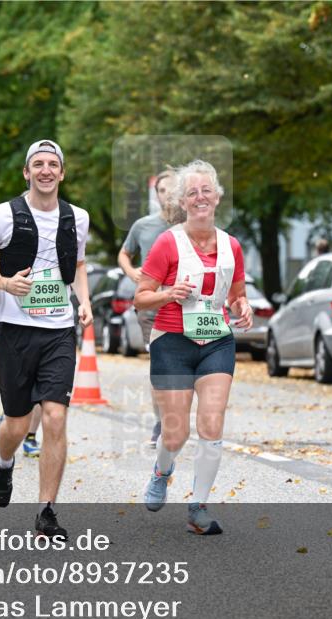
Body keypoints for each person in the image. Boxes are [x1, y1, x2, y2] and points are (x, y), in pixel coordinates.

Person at [0, 139, 92, 540]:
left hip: (58, 329)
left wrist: (84, 302)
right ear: (26, 172)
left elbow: (80, 264)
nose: (45, 170)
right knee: (17, 424)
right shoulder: (2, 215)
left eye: (52, 164)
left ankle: (46, 511)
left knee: (55, 416)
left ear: (62, 172)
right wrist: (5, 282)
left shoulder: (79, 217)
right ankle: (4, 462)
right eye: (37, 164)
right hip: (15, 331)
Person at [133, 159, 253, 536]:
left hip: (216, 340)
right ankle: (161, 470)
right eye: (192, 193)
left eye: (206, 191)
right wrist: (169, 294)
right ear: (183, 203)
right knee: (174, 434)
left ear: (217, 197)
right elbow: (141, 297)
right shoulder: (168, 243)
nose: (200, 198)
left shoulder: (232, 246)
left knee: (212, 423)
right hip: (172, 341)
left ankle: (198, 506)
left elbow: (236, 295)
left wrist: (242, 307)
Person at [118, 168, 177, 448]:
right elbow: (124, 253)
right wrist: (132, 273)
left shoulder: (193, 225)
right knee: (161, 366)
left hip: (184, 306)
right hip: (152, 308)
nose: (167, 195)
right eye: (162, 190)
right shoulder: (143, 226)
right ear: (157, 195)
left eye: (172, 189)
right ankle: (161, 421)